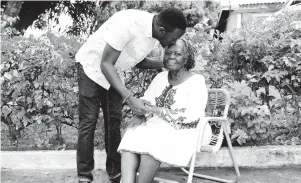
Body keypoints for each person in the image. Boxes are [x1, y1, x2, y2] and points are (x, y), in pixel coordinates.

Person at [75, 7, 187, 183]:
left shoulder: (155, 34)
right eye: (173, 38)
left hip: (113, 71)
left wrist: (165, 64)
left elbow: (136, 60)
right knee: (88, 121)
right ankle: (84, 176)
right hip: (92, 67)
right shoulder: (128, 24)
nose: (173, 42)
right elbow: (105, 63)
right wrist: (129, 98)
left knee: (114, 121)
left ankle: (115, 172)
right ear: (163, 30)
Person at [117, 38, 213, 183]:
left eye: (177, 54)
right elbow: (146, 100)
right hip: (158, 125)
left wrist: (156, 110)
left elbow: (191, 116)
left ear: (187, 57)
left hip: (188, 129)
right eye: (168, 53)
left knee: (153, 141)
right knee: (132, 133)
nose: (171, 57)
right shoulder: (160, 78)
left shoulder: (197, 81)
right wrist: (141, 113)